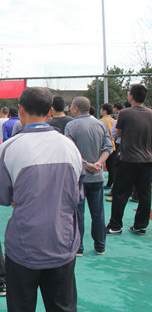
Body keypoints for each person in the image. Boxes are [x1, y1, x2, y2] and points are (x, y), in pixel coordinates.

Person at [0, 87, 83, 312]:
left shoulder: (9, 148)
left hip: (24, 246)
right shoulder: (69, 146)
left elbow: (2, 196)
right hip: (62, 242)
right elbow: (76, 194)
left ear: (20, 109)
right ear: (50, 111)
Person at [65, 97, 112, 256]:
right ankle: (100, 246)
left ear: (76, 108)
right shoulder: (100, 124)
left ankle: (78, 247)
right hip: (97, 177)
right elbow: (108, 147)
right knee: (98, 214)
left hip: (79, 177)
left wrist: (85, 164)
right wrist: (99, 163)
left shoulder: (71, 126)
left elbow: (70, 151)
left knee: (78, 214)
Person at [106, 84, 152, 236]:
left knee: (120, 192)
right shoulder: (150, 113)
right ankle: (140, 226)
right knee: (144, 194)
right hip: (147, 160)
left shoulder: (124, 113)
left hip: (128, 159)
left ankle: (115, 226)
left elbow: (118, 133)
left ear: (131, 96)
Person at [99, 103, 116, 190]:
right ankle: (111, 182)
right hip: (113, 145)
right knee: (111, 166)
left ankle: (109, 183)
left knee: (107, 166)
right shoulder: (113, 120)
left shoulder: (102, 122)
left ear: (104, 111)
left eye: (101, 109)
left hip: (104, 146)